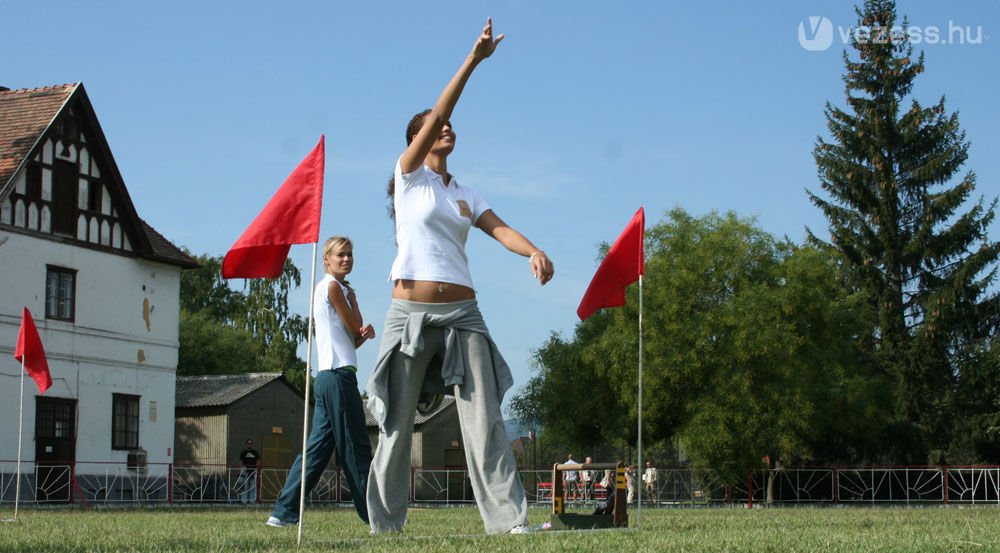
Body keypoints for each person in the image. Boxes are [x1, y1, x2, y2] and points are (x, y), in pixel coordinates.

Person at [365, 18, 555, 536]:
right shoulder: (408, 178)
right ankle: (386, 526)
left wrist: (533, 250)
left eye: (446, 124)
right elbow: (441, 110)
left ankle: (509, 521)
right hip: (410, 313)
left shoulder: (465, 192)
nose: (445, 128)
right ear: (418, 138)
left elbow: (500, 229)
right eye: (434, 125)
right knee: (398, 425)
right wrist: (473, 61)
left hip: (464, 314)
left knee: (485, 419)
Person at [266, 236, 377, 527]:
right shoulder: (332, 287)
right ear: (326, 259)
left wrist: (361, 329)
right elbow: (356, 325)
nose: (347, 259)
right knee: (355, 447)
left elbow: (354, 339)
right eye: (341, 254)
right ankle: (374, 515)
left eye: (350, 254)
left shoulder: (330, 288)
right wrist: (355, 304)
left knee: (316, 451)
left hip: (329, 376)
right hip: (339, 377)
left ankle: (283, 512)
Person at [238, 439, 260, 504]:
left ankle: (252, 501)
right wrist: (241, 470)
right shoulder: (243, 453)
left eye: (251, 443)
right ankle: (244, 501)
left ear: (252, 444)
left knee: (253, 487)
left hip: (253, 471)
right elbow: (241, 462)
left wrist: (257, 469)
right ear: (246, 444)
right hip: (245, 471)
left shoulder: (255, 453)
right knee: (245, 487)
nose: (249, 444)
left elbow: (258, 461)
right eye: (248, 443)